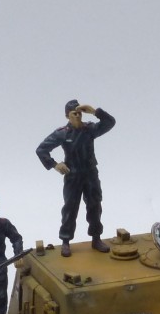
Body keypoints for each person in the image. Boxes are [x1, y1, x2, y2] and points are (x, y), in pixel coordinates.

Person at [35, 100, 116, 257]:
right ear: (67, 116)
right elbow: (41, 149)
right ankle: (65, 241)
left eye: (79, 112)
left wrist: (95, 111)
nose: (78, 115)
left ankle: (96, 238)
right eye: (74, 113)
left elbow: (110, 122)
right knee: (70, 207)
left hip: (90, 173)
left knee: (94, 205)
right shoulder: (63, 133)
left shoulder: (89, 129)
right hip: (73, 175)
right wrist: (54, 164)